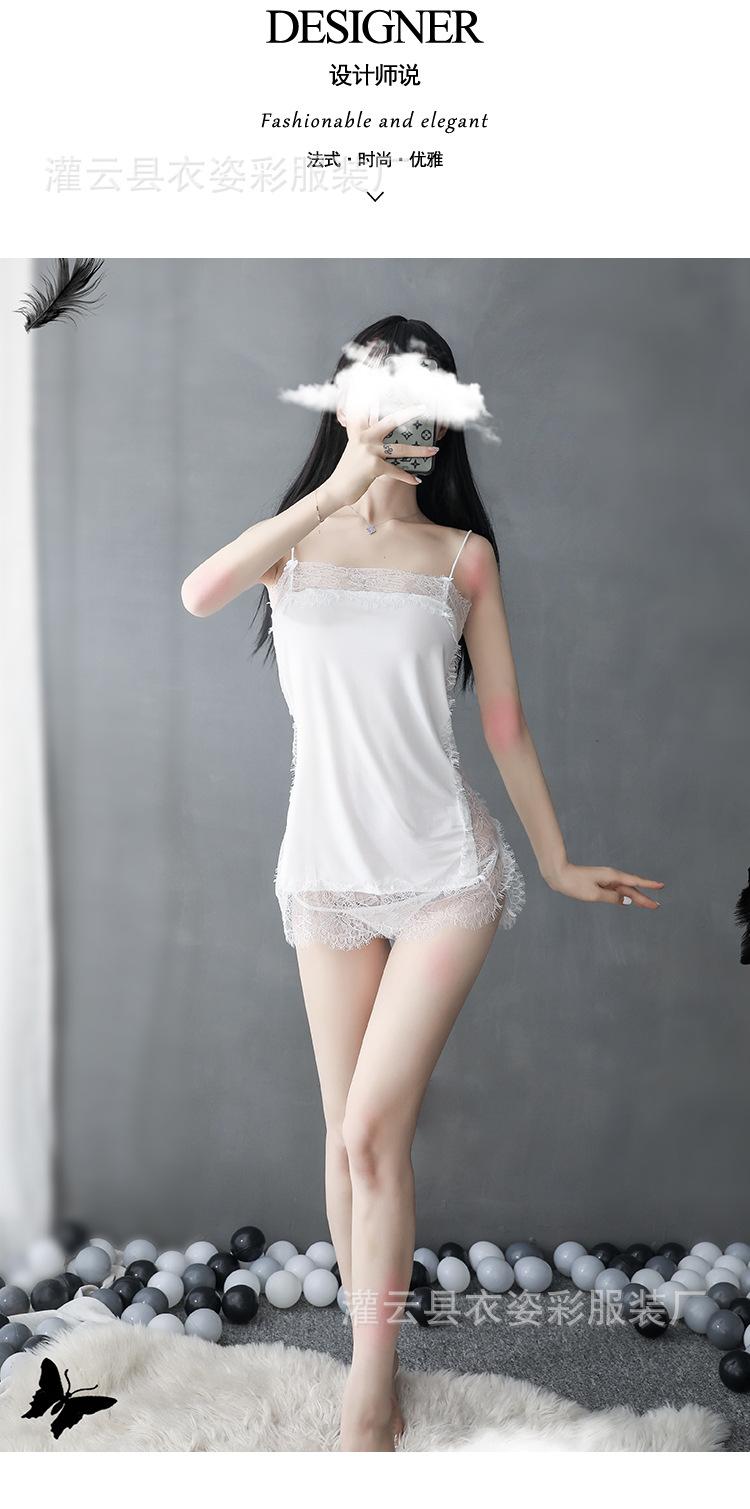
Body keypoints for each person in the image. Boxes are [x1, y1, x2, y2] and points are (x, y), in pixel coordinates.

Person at [181, 315, 664, 1451]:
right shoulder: (291, 542)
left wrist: (554, 859)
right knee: (342, 1135)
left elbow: (505, 725)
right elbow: (202, 592)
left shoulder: (461, 556)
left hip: (445, 867)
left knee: (371, 1128)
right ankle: (372, 1360)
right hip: (327, 873)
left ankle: (370, 1390)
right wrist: (337, 489)